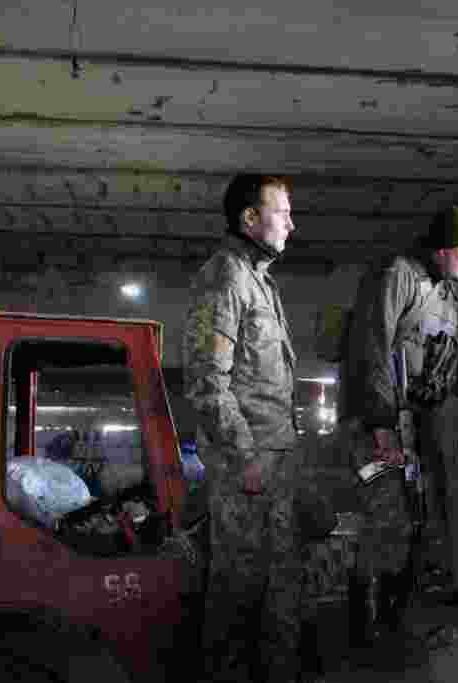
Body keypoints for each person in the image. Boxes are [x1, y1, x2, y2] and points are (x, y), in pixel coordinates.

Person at [338, 206, 458, 649]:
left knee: (414, 523)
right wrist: (381, 424)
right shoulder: (398, 275)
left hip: (417, 420)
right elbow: (371, 347)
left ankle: (394, 624)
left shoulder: (445, 293)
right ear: (443, 251)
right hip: (380, 421)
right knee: (384, 521)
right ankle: (364, 631)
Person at [182, 174, 303, 683]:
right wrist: (245, 456)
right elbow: (208, 382)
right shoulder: (226, 277)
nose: (291, 223)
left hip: (272, 460)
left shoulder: (258, 279)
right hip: (247, 467)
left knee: (277, 590)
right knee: (237, 591)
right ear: (249, 218)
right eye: (282, 212)